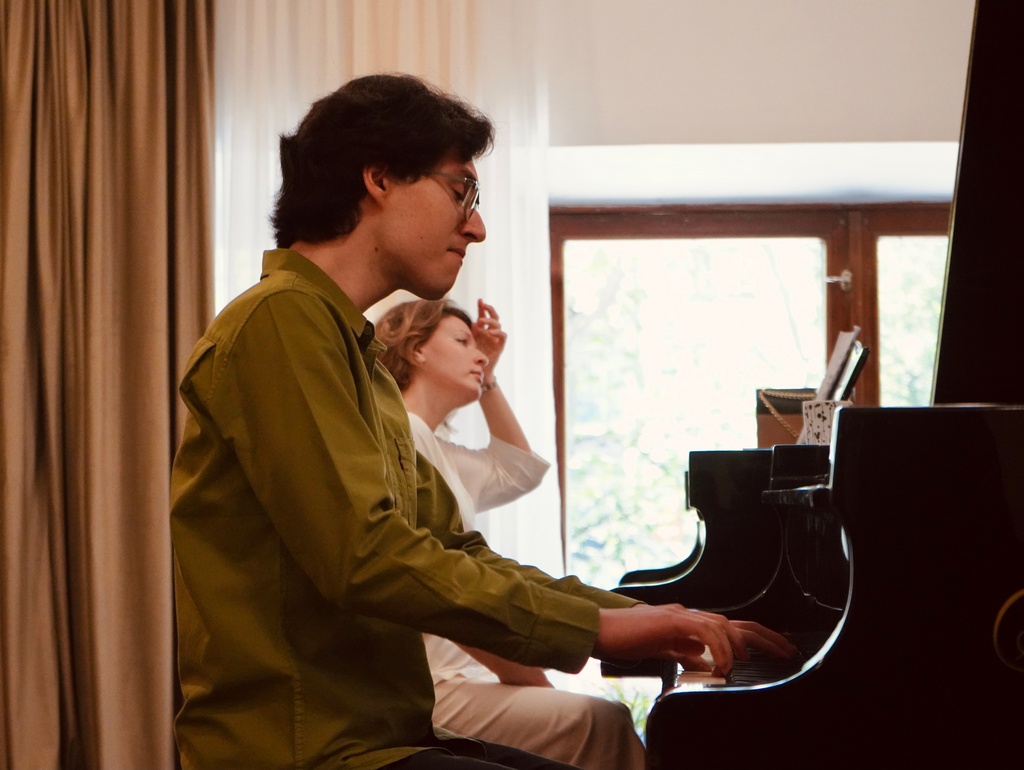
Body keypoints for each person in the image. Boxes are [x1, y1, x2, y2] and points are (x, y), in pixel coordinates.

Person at [169, 73, 798, 770]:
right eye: (461, 191)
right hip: (300, 751)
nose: (477, 226)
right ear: (379, 178)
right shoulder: (280, 320)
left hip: (378, 737)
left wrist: (642, 617)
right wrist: (595, 630)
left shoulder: (362, 363)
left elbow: (457, 549)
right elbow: (365, 557)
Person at [377, 298, 646, 770]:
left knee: (596, 717)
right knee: (599, 720)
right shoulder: (405, 436)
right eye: (463, 342)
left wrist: (489, 380)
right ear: (416, 349)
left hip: (462, 673)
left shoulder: (435, 446)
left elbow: (519, 470)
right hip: (433, 681)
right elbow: (446, 583)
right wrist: (531, 675)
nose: (479, 355)